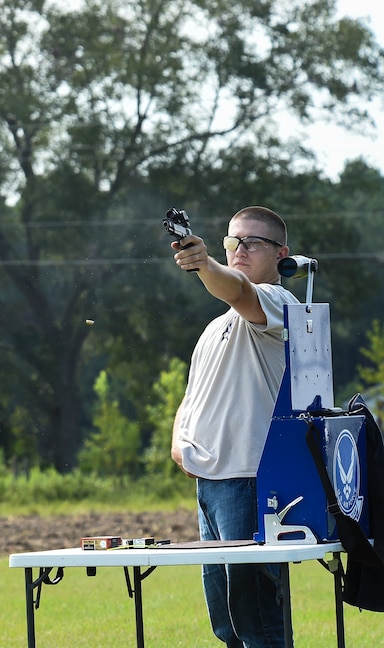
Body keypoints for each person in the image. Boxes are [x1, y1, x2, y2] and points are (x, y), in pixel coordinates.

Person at [169, 205, 297, 647]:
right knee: (227, 623)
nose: (239, 249)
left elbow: (239, 290)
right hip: (211, 484)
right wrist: (180, 445)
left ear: (282, 254)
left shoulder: (280, 303)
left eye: (252, 242)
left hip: (249, 480)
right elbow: (190, 402)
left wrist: (205, 263)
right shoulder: (213, 329)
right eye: (232, 241)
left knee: (257, 619)